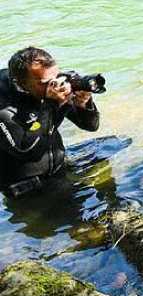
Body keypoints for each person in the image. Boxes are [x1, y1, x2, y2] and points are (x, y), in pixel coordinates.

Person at [0, 47, 100, 196]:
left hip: (59, 168)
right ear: (20, 83)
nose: (54, 85)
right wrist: (50, 104)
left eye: (56, 77)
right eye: (45, 82)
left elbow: (91, 126)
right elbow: (28, 152)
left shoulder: (48, 86)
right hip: (27, 188)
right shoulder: (4, 103)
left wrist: (84, 103)